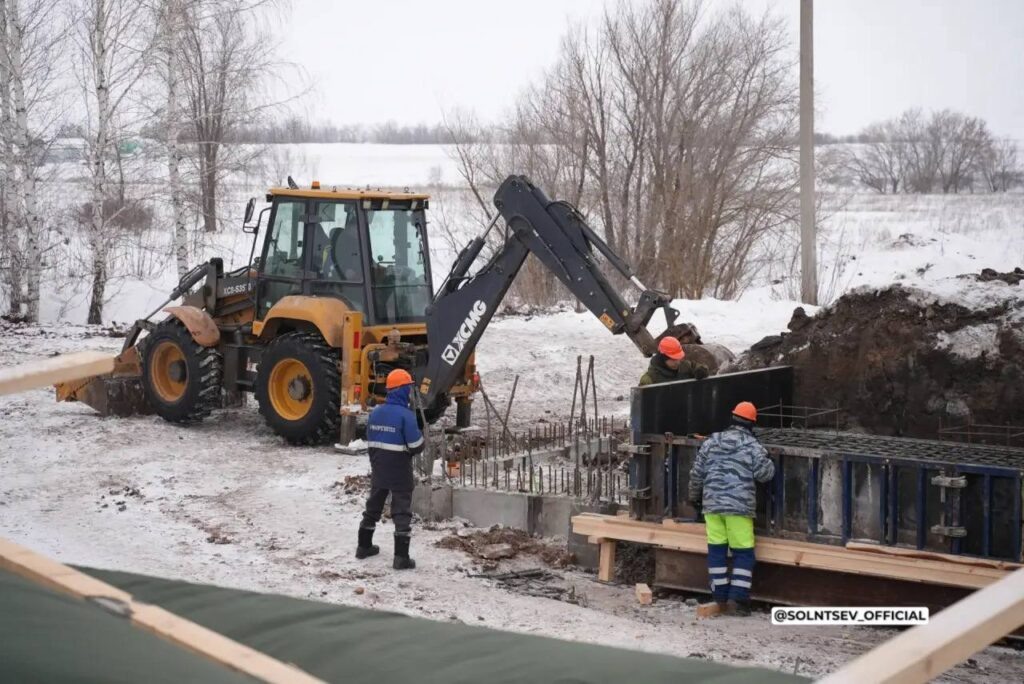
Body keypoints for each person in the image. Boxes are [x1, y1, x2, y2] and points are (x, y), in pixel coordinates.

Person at [688, 401, 775, 616]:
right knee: (743, 553)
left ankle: (719, 595)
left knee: (716, 550)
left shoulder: (711, 441)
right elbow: (765, 475)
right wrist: (769, 460)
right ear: (752, 424)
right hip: (739, 508)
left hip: (712, 506)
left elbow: (697, 474)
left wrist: (694, 498)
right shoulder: (752, 446)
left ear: (732, 418)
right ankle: (739, 599)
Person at [356, 368, 424, 570]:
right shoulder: (406, 415)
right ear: (403, 390)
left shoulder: (376, 413)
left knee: (374, 504)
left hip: (378, 465)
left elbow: (371, 440)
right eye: (409, 388)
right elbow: (416, 445)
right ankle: (401, 557)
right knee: (401, 509)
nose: (411, 392)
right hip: (399, 468)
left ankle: (363, 546)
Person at [638, 337, 709, 386]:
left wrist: (702, 370)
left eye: (678, 358)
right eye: (674, 359)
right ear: (663, 359)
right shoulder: (648, 380)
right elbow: (642, 403)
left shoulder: (685, 366)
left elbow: (700, 367)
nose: (678, 362)